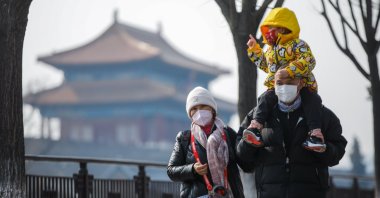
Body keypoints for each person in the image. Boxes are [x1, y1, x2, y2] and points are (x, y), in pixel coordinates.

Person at [236, 69, 347, 198]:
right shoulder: (257, 116)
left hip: (310, 192)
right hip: (270, 193)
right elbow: (243, 159)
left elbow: (337, 153)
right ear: (273, 84)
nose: (284, 87)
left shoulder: (322, 115)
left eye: (289, 82)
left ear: (300, 83)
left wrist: (323, 149)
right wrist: (249, 143)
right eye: (279, 83)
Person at [246, 7, 323, 148]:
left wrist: (289, 71)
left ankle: (315, 135)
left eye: (272, 28)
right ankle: (255, 128)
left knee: (313, 101)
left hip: (302, 84)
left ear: (282, 28)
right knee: (264, 99)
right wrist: (255, 51)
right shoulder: (270, 49)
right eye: (267, 29)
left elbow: (309, 60)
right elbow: (267, 66)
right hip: (275, 87)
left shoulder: (298, 44)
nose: (268, 33)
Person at [167, 86, 245, 198]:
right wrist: (192, 169)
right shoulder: (184, 138)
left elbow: (246, 164)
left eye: (203, 106)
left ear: (212, 110)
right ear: (190, 114)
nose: (199, 111)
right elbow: (171, 171)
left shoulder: (228, 134)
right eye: (194, 108)